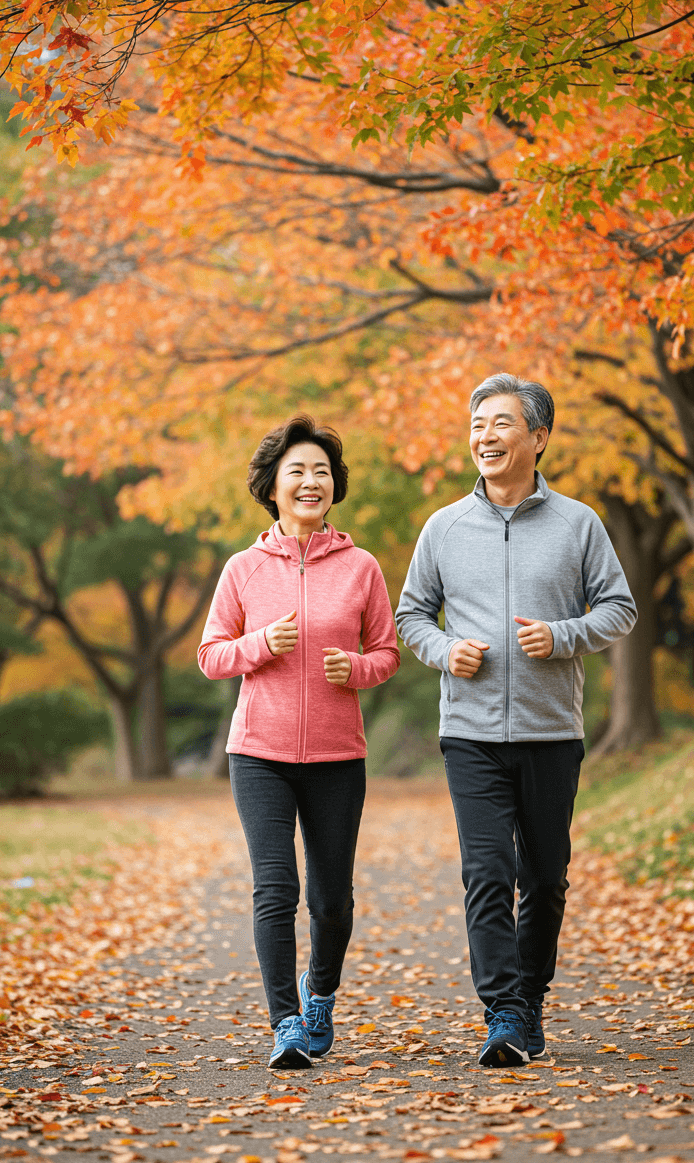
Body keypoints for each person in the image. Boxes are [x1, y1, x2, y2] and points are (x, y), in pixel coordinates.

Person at [396, 373, 636, 1067]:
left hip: (551, 731)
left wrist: (561, 636)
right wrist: (445, 651)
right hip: (469, 733)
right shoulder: (443, 527)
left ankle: (530, 995)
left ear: (539, 437)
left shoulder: (578, 523)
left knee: (546, 878)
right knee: (487, 872)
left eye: (501, 423)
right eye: (477, 425)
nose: (485, 436)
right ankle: (502, 1011)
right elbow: (412, 615)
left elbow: (619, 609)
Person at [198, 416, 399, 1069]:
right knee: (275, 887)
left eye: (322, 471)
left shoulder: (362, 567)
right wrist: (260, 644)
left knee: (331, 901)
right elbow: (211, 655)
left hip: (338, 756)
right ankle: (285, 1022)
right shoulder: (243, 569)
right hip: (259, 753)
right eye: (298, 471)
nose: (312, 481)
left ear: (334, 486)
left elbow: (388, 653)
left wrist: (356, 669)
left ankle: (320, 995)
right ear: (272, 487)